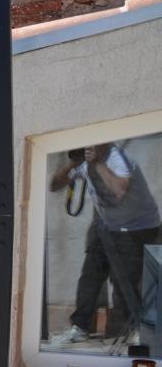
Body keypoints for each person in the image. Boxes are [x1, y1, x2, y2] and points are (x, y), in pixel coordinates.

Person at [50, 142, 161, 343]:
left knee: (124, 280)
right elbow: (54, 186)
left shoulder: (117, 157)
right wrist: (72, 163)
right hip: (107, 225)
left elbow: (119, 191)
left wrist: (98, 164)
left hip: (137, 227)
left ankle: (138, 330)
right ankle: (80, 327)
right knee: (90, 276)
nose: (87, 147)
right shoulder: (84, 161)